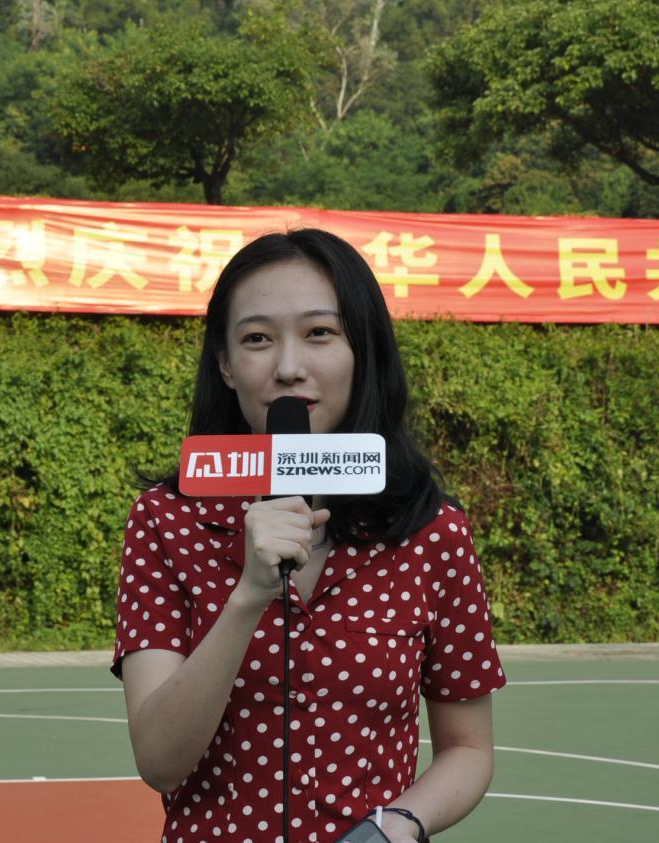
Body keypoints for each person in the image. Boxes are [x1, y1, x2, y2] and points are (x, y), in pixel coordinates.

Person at [112, 229, 505, 843]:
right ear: (225, 363)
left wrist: (399, 823)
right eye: (257, 339)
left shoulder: (434, 533)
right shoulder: (167, 521)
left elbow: (468, 748)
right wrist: (248, 596)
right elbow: (160, 762)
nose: (289, 368)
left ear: (362, 350)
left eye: (320, 332)